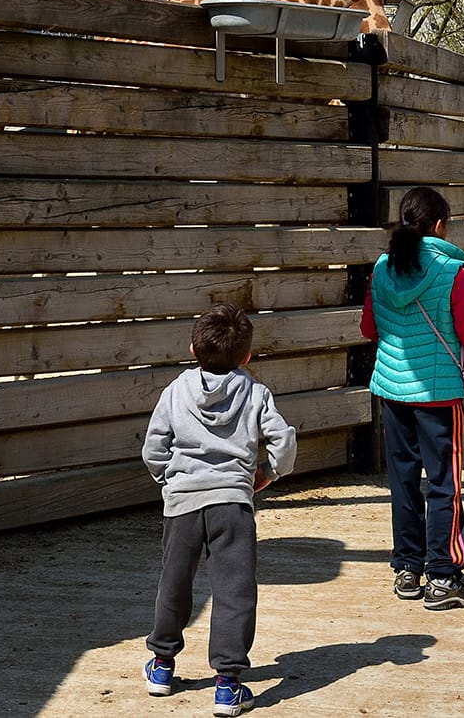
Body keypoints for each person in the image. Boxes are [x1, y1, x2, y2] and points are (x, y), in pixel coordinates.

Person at [142, 304, 298, 715]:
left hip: (183, 504)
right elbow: (284, 441)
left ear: (192, 348)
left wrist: (169, 482)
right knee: (234, 591)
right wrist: (269, 472)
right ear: (246, 356)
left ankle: (161, 664)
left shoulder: (175, 390)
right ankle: (227, 686)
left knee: (174, 583)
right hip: (232, 502)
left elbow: (153, 448)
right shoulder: (256, 393)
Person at [361, 186, 464, 609]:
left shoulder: (382, 267)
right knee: (444, 485)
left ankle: (407, 569)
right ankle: (443, 575)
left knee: (403, 482)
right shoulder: (454, 272)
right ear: (438, 225)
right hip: (439, 395)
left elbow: (368, 329)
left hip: (392, 392)